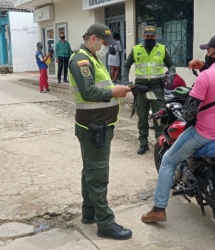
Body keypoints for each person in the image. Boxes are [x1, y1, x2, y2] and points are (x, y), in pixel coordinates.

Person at [141, 35, 215, 222]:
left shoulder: (206, 77)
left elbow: (189, 112)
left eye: (208, 51)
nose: (205, 54)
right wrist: (205, 67)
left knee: (167, 160)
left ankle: (158, 209)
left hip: (206, 134)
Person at [68, 23, 132, 240]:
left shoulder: (92, 58)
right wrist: (113, 91)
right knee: (98, 175)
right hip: (94, 127)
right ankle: (105, 224)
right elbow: (88, 92)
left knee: (90, 171)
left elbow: (97, 86)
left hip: (98, 124)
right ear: (93, 39)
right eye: (105, 43)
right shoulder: (81, 59)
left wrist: (114, 88)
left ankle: (89, 213)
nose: (107, 47)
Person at [122, 25, 176, 155]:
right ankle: (143, 144)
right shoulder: (136, 49)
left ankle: (160, 143)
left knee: (159, 117)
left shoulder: (162, 49)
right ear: (143, 36)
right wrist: (125, 80)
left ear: (155, 36)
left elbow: (171, 64)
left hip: (157, 88)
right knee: (142, 117)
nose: (149, 38)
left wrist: (171, 73)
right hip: (141, 89)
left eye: (151, 36)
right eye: (147, 36)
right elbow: (126, 65)